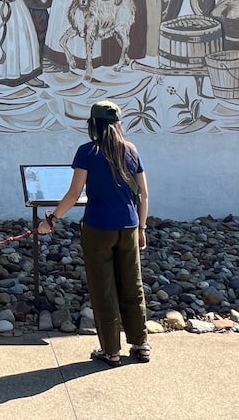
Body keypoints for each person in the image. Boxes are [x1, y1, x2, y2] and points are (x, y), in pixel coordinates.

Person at [38, 99, 151, 366]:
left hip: (98, 227)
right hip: (129, 226)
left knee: (104, 290)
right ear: (118, 123)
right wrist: (143, 227)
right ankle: (141, 344)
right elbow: (144, 193)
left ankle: (111, 350)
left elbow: (74, 193)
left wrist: (52, 219)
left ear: (93, 125)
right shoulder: (131, 150)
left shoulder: (87, 152)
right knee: (132, 286)